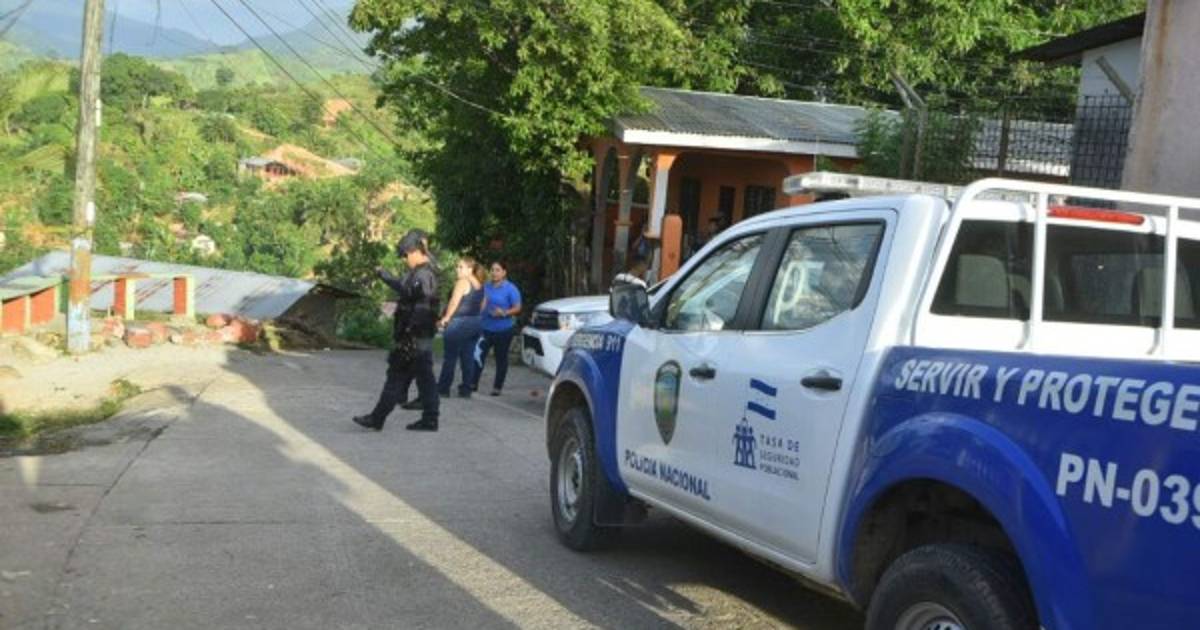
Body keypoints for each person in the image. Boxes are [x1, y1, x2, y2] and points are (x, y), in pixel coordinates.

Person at [353, 230, 441, 432]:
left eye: (405, 255)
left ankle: (378, 418)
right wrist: (384, 275)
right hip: (417, 336)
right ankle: (429, 418)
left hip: (415, 337)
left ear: (415, 252)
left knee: (398, 376)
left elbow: (423, 306)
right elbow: (405, 289)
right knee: (423, 378)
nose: (404, 259)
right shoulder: (421, 272)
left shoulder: (423, 274)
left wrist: (409, 333)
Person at [437, 258, 485, 398]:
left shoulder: (462, 282)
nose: (457, 269)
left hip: (459, 323)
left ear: (470, 269)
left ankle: (443, 389)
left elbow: (453, 302)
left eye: (461, 267)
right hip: (475, 322)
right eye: (457, 267)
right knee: (468, 357)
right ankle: (466, 390)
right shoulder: (480, 285)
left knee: (450, 357)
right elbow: (483, 305)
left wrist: (446, 318)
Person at [474, 261, 522, 396]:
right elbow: (479, 304)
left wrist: (504, 313)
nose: (494, 273)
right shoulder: (485, 287)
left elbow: (518, 308)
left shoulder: (511, 288)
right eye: (492, 270)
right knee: (477, 356)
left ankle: (497, 387)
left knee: (501, 359)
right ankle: (472, 383)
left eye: (498, 270)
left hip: (503, 330)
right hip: (485, 328)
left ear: (504, 272)